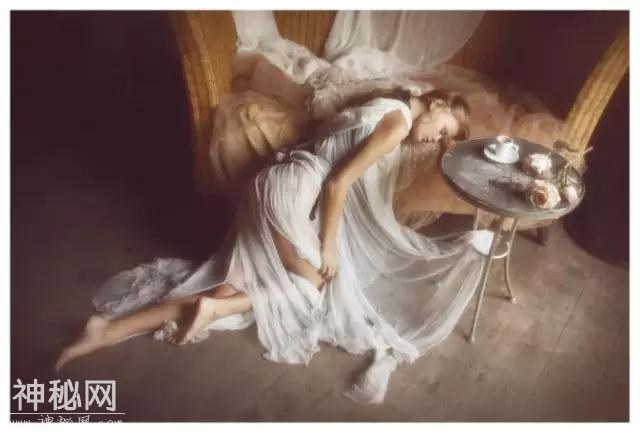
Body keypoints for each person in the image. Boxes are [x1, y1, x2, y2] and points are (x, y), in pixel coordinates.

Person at [55, 88, 487, 403]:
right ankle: (212, 310)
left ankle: (106, 330)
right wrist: (328, 245)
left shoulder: (384, 103)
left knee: (229, 287)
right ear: (437, 104)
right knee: (313, 287)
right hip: (290, 192)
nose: (434, 140)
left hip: (273, 184)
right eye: (442, 130)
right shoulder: (398, 123)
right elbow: (336, 183)